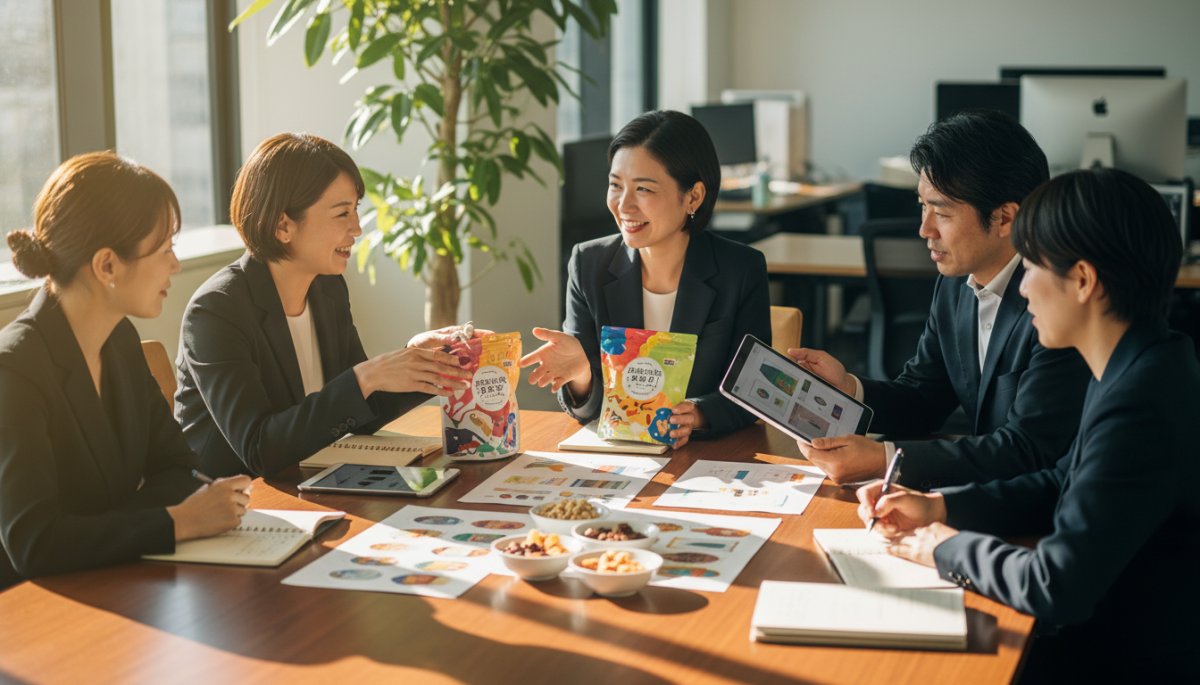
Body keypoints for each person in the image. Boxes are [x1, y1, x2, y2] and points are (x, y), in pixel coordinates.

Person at [858, 168, 1198, 680]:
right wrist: (939, 506)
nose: (1024, 285)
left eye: (1034, 265)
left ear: (1082, 281)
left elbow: (1056, 583)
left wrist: (942, 547)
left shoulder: (1139, 401)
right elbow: (1064, 479)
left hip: (1120, 655)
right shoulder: (1146, 360)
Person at [789, 110, 1089, 487]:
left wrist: (886, 460)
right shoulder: (955, 284)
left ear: (1004, 218)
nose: (923, 229)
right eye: (922, 206)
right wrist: (849, 387)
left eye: (941, 212)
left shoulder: (1056, 303)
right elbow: (925, 396)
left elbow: (1029, 449)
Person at [0, 152, 250, 589]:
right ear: (107, 265)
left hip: (115, 579)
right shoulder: (16, 369)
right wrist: (174, 522)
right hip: (36, 617)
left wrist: (127, 525)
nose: (175, 264)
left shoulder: (119, 340)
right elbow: (34, 544)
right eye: (165, 248)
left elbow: (178, 467)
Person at [174, 133, 471, 478]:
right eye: (342, 213)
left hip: (309, 484)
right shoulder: (216, 311)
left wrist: (415, 363)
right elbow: (259, 448)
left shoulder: (327, 289)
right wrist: (366, 377)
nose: (357, 228)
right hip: (242, 505)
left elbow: (359, 411)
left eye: (355, 210)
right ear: (282, 225)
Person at [521, 110, 771, 446]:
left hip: (707, 461)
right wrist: (582, 375)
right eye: (615, 185)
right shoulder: (588, 264)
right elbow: (588, 410)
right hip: (621, 464)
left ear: (694, 196)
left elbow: (752, 393)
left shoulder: (740, 269)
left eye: (644, 189)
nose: (624, 205)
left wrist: (696, 415)